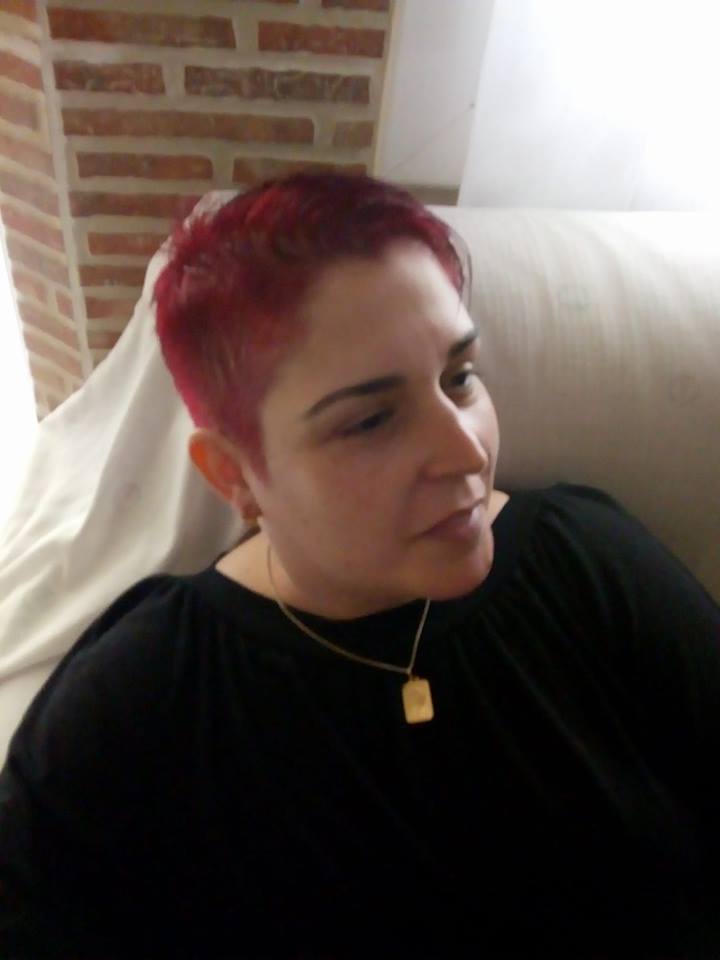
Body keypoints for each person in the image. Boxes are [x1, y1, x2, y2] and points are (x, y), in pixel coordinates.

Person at [0, 173, 718, 960]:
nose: (467, 451)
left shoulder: (590, 565)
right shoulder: (139, 710)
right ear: (234, 474)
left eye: (459, 378)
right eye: (372, 420)